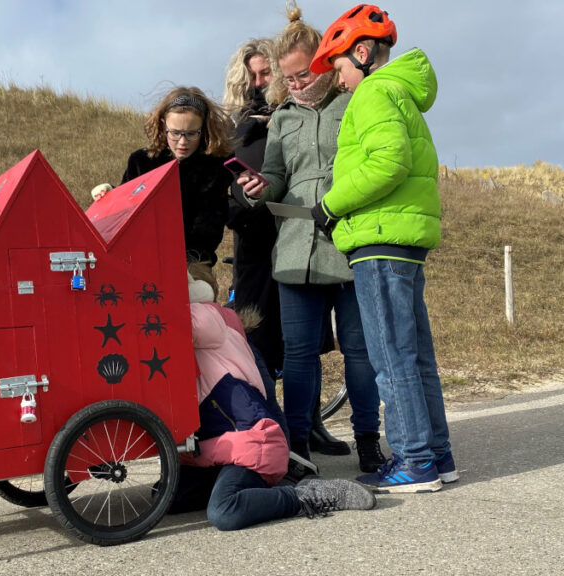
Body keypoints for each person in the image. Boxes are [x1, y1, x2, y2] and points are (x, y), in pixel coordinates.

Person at [307, 4, 457, 493]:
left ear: (363, 53)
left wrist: (330, 205)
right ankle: (436, 456)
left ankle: (414, 461)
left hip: (379, 241)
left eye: (339, 67)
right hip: (402, 240)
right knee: (416, 357)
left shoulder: (372, 93)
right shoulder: (400, 92)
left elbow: (390, 160)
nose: (339, 80)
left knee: (392, 358)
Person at [239, 5, 384, 474]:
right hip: (296, 250)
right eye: (288, 79)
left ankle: (368, 442)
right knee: (299, 356)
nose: (297, 85)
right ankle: (298, 447)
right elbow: (277, 176)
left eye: (303, 74)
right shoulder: (282, 118)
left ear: (323, 62)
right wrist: (260, 188)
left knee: (359, 352)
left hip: (348, 243)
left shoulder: (355, 101)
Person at [172, 265, 375, 530]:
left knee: (224, 511)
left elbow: (181, 322)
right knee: (168, 498)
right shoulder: (212, 325)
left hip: (248, 444)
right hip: (216, 449)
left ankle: (305, 496)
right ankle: (272, 482)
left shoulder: (205, 316)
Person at [221, 38, 285, 378]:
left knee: (298, 344)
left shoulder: (293, 119)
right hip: (251, 249)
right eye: (251, 77)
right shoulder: (235, 130)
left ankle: (305, 414)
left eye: (265, 73)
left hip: (290, 241)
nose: (258, 83)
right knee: (255, 341)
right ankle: (264, 410)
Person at [120, 87, 232, 266]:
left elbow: (213, 222)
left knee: (196, 285)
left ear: (203, 130)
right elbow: (123, 209)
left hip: (195, 260)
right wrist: (108, 193)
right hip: (142, 258)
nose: (183, 142)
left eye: (191, 133)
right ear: (163, 125)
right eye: (175, 133)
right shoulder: (140, 161)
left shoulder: (217, 165)